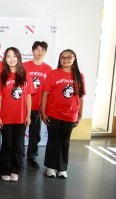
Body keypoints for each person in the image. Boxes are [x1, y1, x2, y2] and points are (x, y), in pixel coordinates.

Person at [41, 49, 85, 178]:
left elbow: (81, 97)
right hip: (53, 113)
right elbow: (45, 94)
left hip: (70, 115)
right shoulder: (53, 74)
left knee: (65, 141)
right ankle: (50, 167)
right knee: (53, 140)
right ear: (59, 60)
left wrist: (80, 115)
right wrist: (43, 112)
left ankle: (62, 167)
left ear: (74, 59)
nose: (65, 59)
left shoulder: (79, 76)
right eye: (63, 57)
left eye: (69, 57)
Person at [0, 47, 34, 182]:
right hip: (6, 117)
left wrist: (28, 115)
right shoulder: (2, 76)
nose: (11, 59)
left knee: (18, 145)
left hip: (21, 117)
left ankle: (15, 169)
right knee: (7, 145)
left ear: (18, 58)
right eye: (8, 56)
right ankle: (5, 169)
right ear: (5, 59)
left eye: (14, 56)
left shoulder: (25, 74)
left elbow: (28, 97)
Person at [23, 41, 52, 168]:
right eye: (37, 49)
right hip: (23, 106)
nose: (39, 52)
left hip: (38, 107)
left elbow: (49, 91)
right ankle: (18, 157)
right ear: (32, 51)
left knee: (35, 135)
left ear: (45, 52)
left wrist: (44, 108)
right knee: (19, 135)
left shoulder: (48, 69)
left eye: (42, 50)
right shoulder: (24, 66)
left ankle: (32, 157)